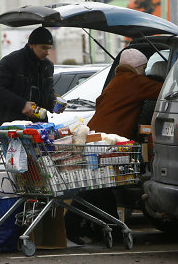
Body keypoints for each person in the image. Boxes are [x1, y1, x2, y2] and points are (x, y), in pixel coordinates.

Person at [64, 48, 164, 245]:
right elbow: (162, 91)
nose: (144, 72)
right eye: (143, 68)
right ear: (136, 67)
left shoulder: (115, 82)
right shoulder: (133, 81)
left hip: (95, 138)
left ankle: (104, 228)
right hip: (108, 143)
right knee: (96, 187)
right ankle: (73, 225)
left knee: (101, 187)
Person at [0, 26, 64, 127]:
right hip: (9, 125)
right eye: (43, 48)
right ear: (31, 45)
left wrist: (53, 103)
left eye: (49, 48)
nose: (47, 53)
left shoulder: (47, 66)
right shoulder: (11, 61)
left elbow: (48, 92)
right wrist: (22, 104)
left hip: (37, 125)